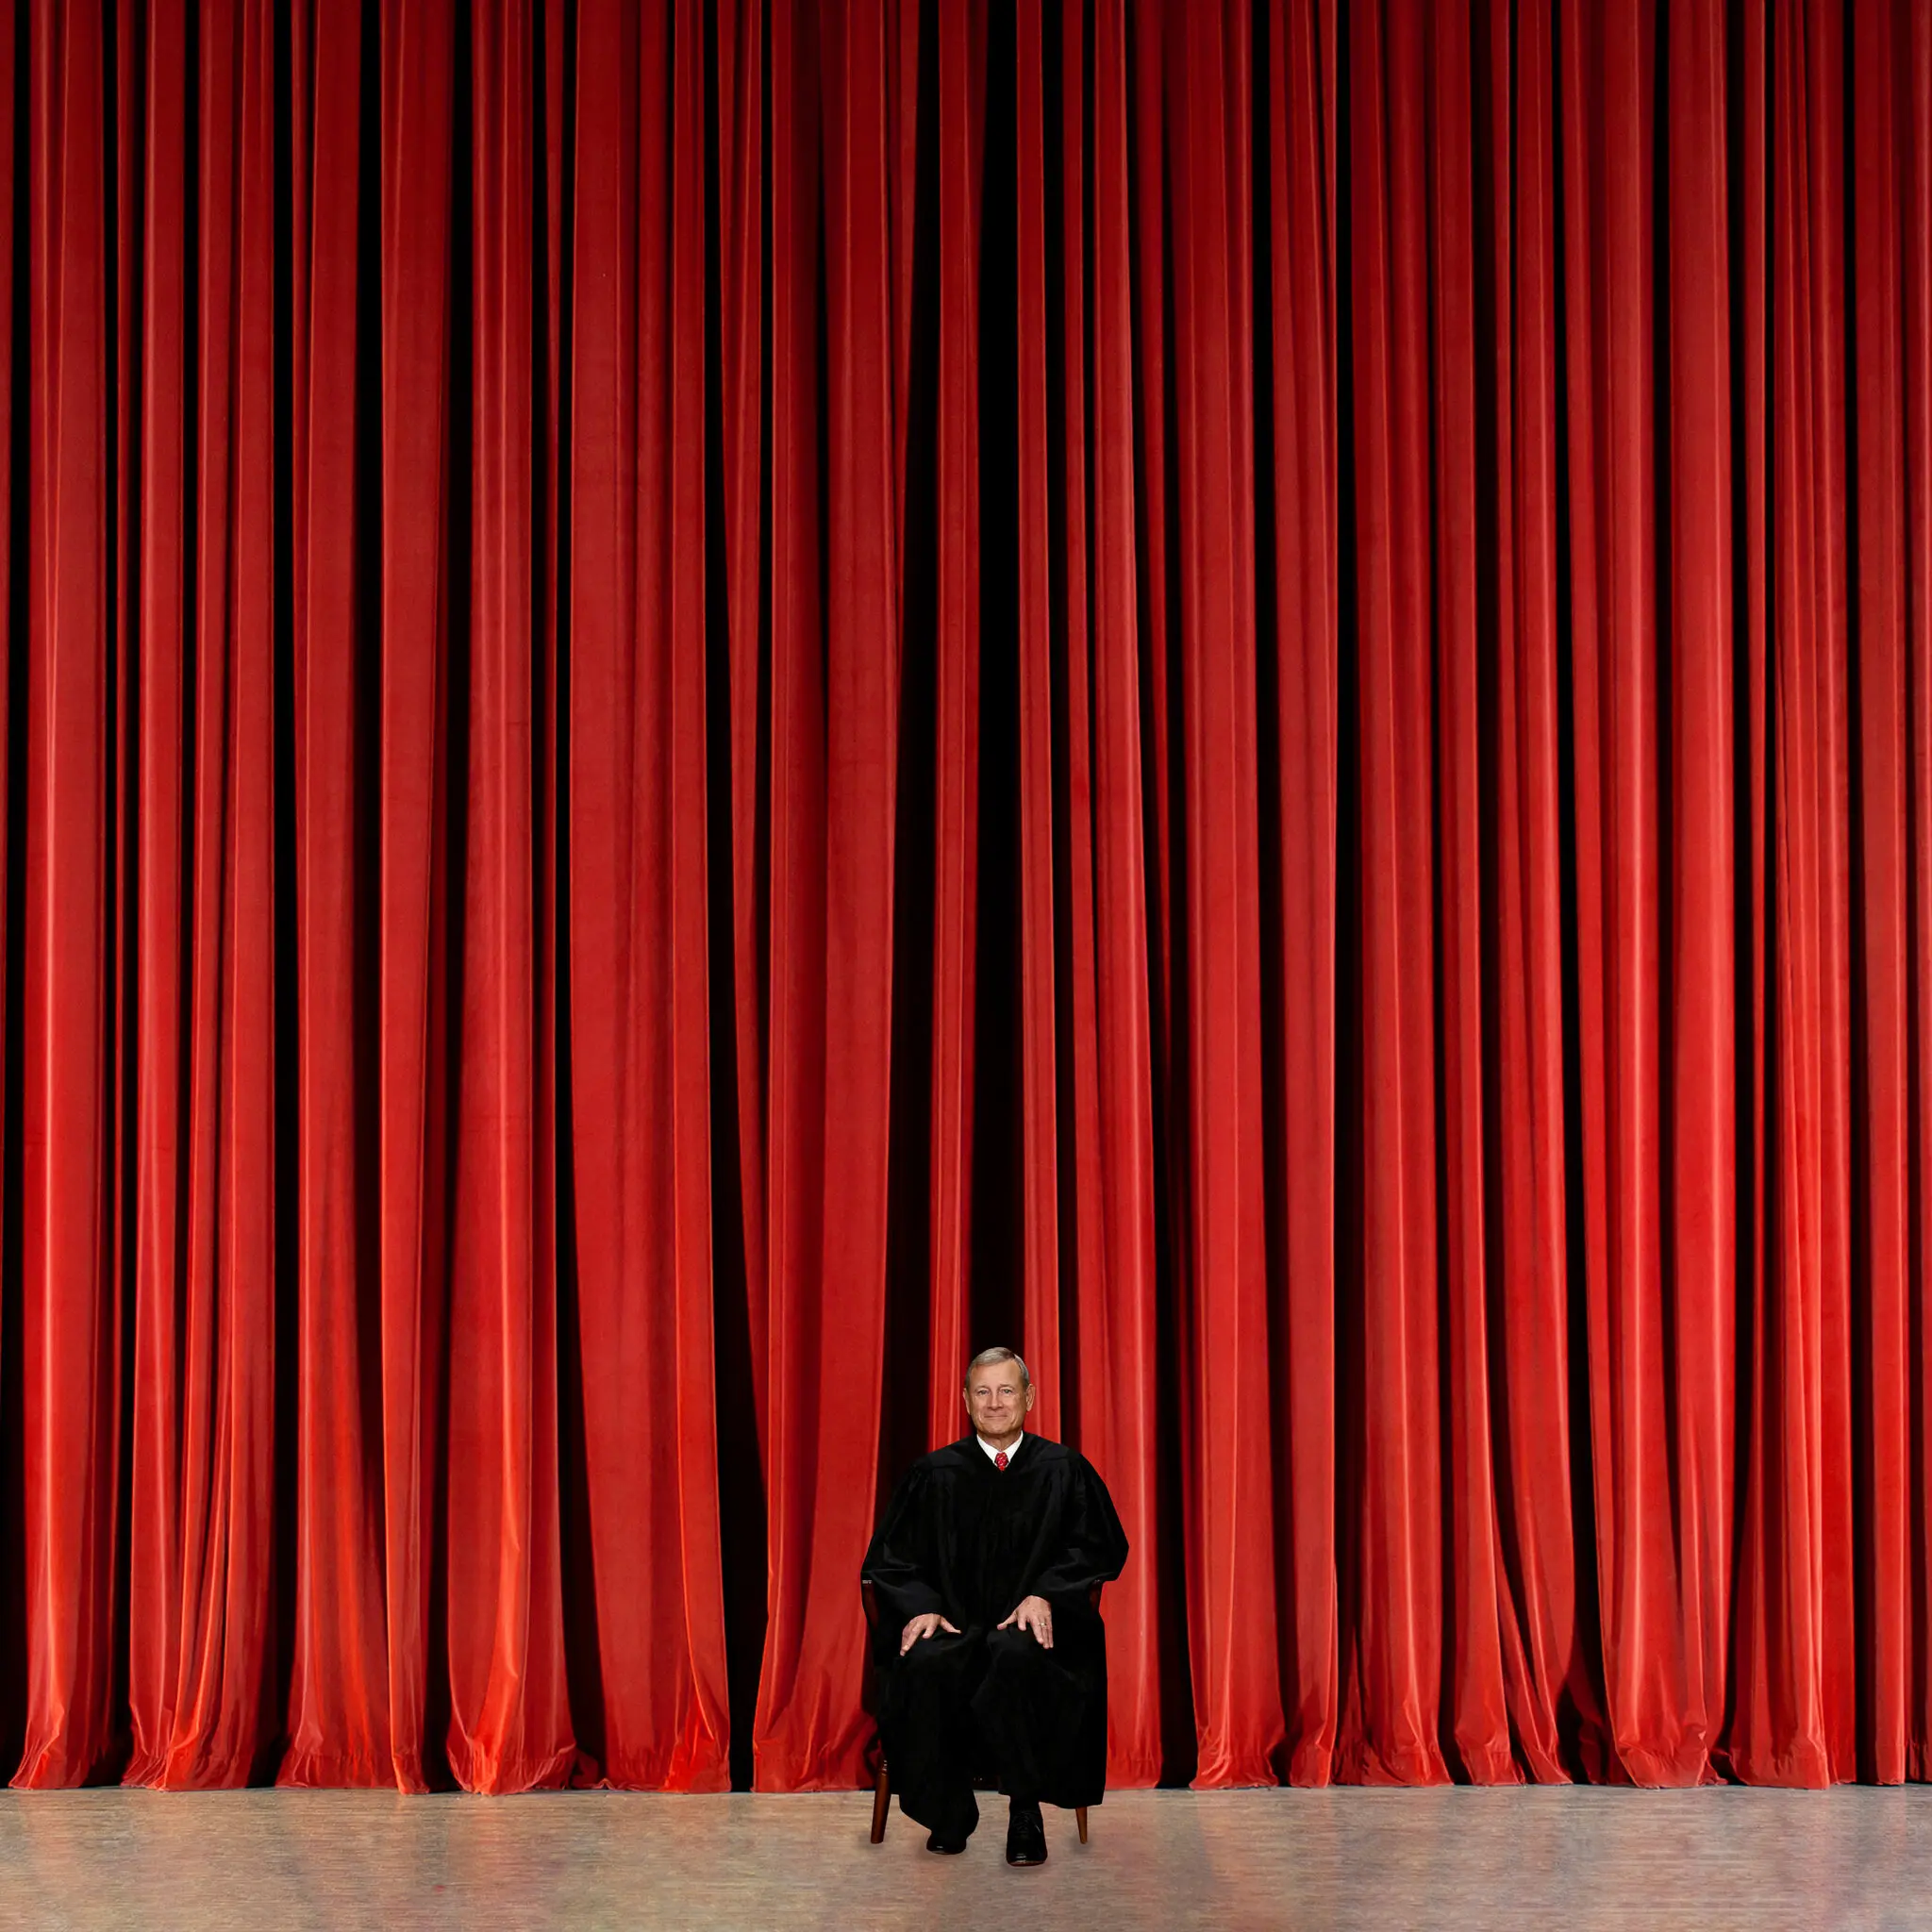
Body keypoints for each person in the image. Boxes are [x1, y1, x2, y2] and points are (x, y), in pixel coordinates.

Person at [860, 1347, 1129, 1866]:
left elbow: (1100, 1548)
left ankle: (1024, 1812)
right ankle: (948, 1811)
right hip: (956, 1622)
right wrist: (923, 1606)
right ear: (965, 1401)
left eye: (1007, 1390)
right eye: (982, 1392)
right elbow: (891, 1560)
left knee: (1018, 1654)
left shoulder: (1064, 1470)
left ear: (1028, 1397)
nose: (996, 1403)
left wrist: (1046, 1594)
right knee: (926, 1661)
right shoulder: (934, 1474)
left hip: (1033, 1629)